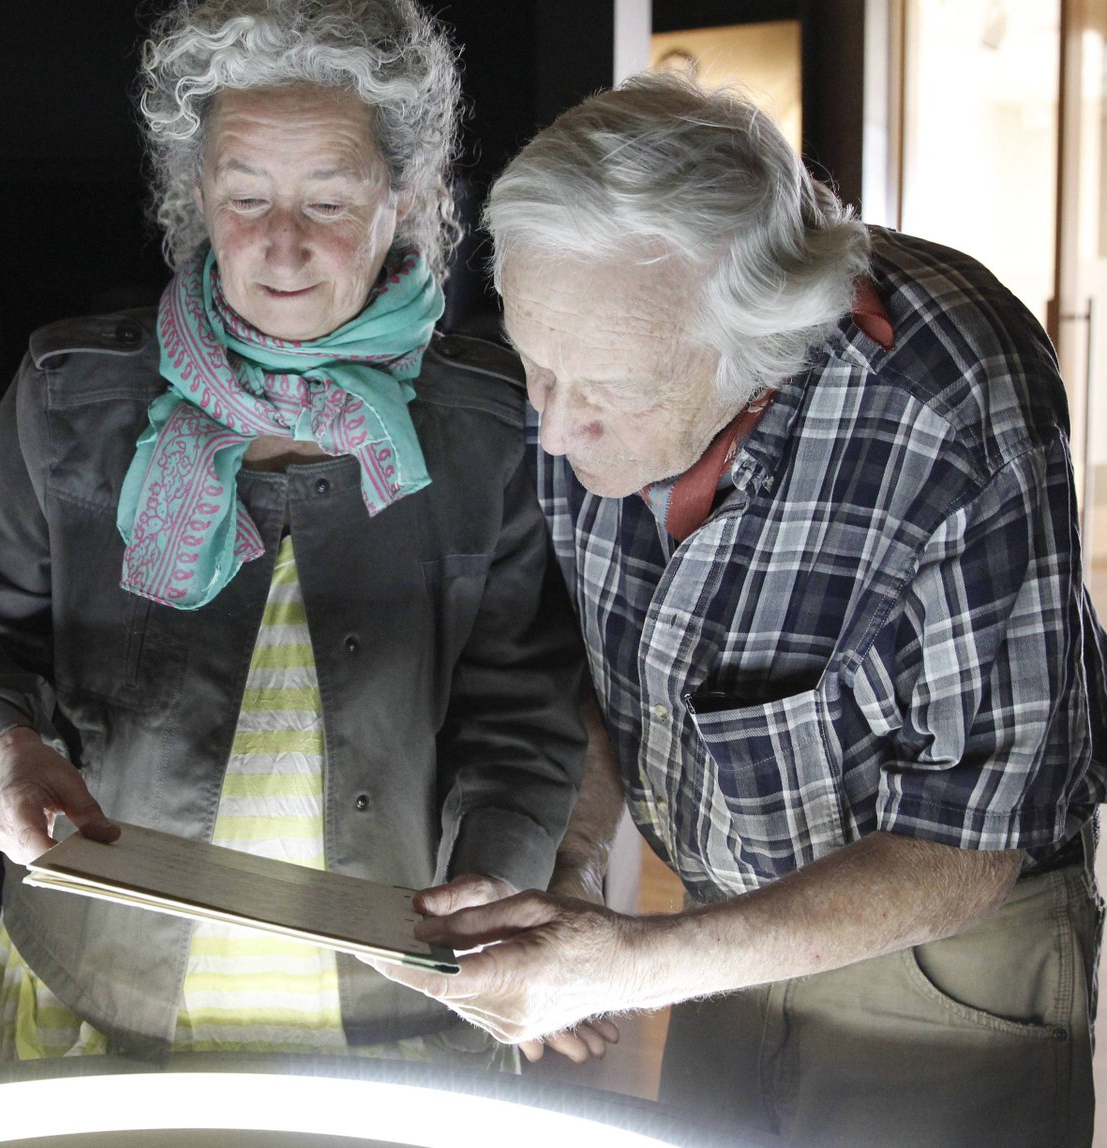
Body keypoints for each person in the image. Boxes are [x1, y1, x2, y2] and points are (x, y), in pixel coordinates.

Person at [369, 75, 1107, 1146]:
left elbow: (973, 840)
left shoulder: (952, 400)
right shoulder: (589, 342)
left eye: (606, 389)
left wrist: (632, 958)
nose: (558, 428)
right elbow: (611, 669)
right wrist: (571, 884)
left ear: (756, 347)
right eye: (537, 363)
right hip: (715, 919)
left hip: (940, 950)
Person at [0, 0, 585, 1067]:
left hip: (393, 1001)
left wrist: (500, 885)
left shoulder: (492, 426)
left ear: (398, 200)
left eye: (327, 195)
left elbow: (523, 707)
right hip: (103, 978)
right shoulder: (67, 394)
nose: (281, 242)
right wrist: (10, 752)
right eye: (246, 194)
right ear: (198, 197)